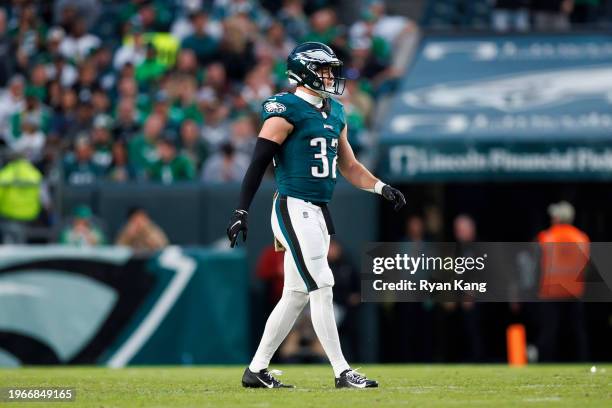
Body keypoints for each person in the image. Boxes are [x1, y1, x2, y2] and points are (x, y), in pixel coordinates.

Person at [226, 42, 405, 389]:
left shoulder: (335, 112)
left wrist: (381, 187)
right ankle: (342, 371)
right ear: (304, 71)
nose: (330, 77)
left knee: (295, 294)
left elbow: (349, 166)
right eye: (324, 70)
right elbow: (258, 162)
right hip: (293, 205)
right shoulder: (285, 108)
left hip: (318, 211)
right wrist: (241, 210)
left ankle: (256, 370)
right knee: (323, 284)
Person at [536, 200, 590, 361]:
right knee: (577, 331)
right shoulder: (581, 238)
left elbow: (537, 265)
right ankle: (582, 360)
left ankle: (546, 363)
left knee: (549, 331)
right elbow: (586, 266)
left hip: (551, 292)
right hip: (574, 292)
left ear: (558, 218)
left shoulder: (546, 237)